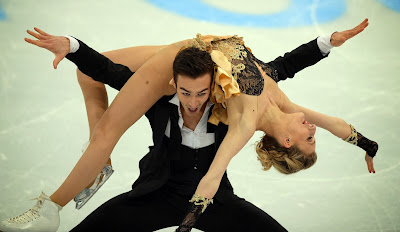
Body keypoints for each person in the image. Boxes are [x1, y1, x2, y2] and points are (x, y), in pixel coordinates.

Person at [0, 19, 377, 232]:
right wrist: (366, 144)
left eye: (309, 140)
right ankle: (97, 162)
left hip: (178, 61)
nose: (314, 130)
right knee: (89, 76)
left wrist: (188, 223)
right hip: (199, 48)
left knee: (105, 130)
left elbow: (212, 178)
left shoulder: (245, 123)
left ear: (288, 139)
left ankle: (52, 207)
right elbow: (331, 118)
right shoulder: (284, 102)